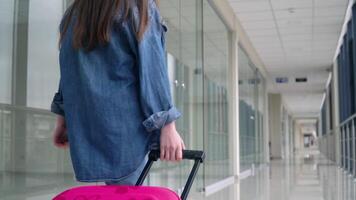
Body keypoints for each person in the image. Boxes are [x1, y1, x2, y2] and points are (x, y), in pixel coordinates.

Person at [51, 0, 185, 185]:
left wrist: (63, 118)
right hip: (127, 136)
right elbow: (152, 68)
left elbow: (69, 69)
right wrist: (167, 125)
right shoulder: (137, 6)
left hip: (88, 134)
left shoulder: (75, 12)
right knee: (127, 194)